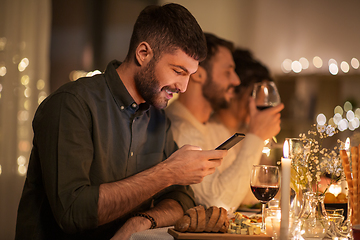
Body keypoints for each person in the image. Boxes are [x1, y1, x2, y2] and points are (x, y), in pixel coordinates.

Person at [15, 4, 228, 240]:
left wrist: (142, 221)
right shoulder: (72, 104)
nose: (183, 87)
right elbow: (72, 213)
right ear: (143, 53)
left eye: (190, 75)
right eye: (178, 71)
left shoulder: (158, 118)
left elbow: (182, 198)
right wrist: (168, 172)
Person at [165, 33, 284, 211]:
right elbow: (218, 203)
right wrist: (256, 135)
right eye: (228, 72)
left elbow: (243, 193)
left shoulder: (204, 127)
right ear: (198, 75)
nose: (236, 81)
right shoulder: (181, 131)